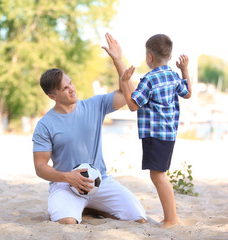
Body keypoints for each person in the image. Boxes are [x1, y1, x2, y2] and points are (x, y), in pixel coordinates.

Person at [32, 33, 147, 224]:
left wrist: (118, 60)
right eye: (65, 88)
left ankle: (93, 206)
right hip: (65, 185)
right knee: (67, 223)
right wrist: (68, 177)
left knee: (138, 219)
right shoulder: (45, 125)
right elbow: (40, 167)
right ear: (53, 96)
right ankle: (79, 207)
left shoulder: (95, 105)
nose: (72, 89)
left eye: (70, 83)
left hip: (100, 181)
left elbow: (127, 95)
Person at [119, 34, 192, 228]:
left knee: (158, 176)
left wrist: (125, 82)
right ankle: (171, 217)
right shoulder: (173, 75)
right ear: (169, 57)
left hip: (154, 134)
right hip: (168, 134)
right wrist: (184, 69)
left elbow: (133, 105)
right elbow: (188, 93)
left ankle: (172, 218)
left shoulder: (149, 79)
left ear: (149, 57)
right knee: (160, 174)